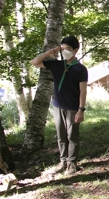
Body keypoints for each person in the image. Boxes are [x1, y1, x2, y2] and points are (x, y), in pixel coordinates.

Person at [30, 35, 88, 175]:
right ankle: (63, 161)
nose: (64, 51)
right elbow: (34, 62)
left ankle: (72, 163)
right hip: (58, 106)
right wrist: (50, 52)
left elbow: (83, 91)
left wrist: (81, 110)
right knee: (61, 136)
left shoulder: (80, 69)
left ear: (75, 50)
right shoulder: (57, 64)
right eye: (62, 49)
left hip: (73, 108)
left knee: (72, 136)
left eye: (67, 49)